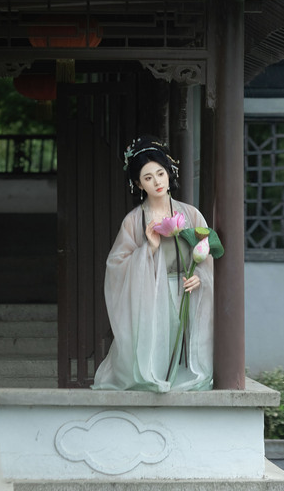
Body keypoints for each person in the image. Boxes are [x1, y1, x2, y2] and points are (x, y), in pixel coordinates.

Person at [91, 136, 214, 392]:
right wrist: (149, 249)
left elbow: (207, 253)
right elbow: (116, 265)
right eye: (148, 178)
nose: (157, 182)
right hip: (152, 294)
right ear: (138, 184)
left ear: (169, 173)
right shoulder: (134, 221)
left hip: (187, 292)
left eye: (160, 173)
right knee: (155, 348)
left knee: (186, 351)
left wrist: (201, 276)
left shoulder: (190, 214)